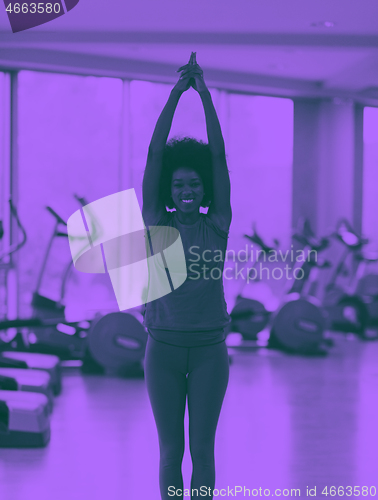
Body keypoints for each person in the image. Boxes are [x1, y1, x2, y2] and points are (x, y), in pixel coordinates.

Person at [142, 52, 232, 500]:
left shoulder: (218, 223)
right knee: (170, 451)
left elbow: (217, 155)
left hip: (210, 352)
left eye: (194, 184)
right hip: (163, 350)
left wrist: (206, 95)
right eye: (179, 185)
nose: (187, 190)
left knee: (203, 450)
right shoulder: (158, 222)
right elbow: (156, 154)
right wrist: (177, 94)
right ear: (169, 192)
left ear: (204, 190)